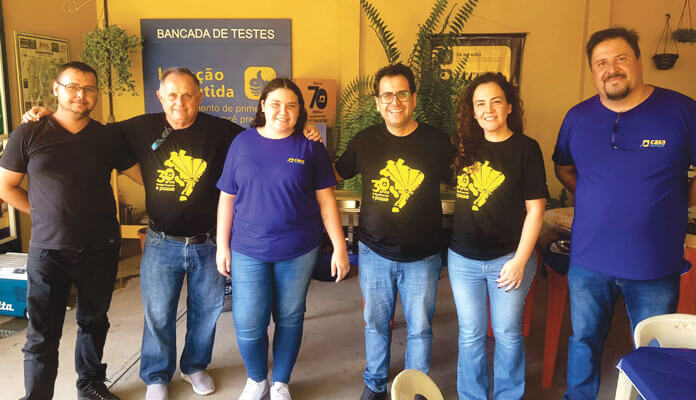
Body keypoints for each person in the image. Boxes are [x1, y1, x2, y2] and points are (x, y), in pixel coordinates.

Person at [22, 68, 321, 399]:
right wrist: (52, 113)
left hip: (207, 241)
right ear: (160, 96)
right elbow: (87, 128)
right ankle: (156, 375)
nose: (181, 102)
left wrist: (304, 131)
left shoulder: (221, 131)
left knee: (206, 312)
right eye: (173, 95)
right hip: (161, 240)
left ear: (199, 97)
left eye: (188, 95)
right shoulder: (138, 127)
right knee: (158, 313)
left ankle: (194, 365)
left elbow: (267, 133)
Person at [553, 27, 696, 399]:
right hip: (588, 260)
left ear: (638, 61)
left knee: (654, 350)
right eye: (601, 63)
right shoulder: (578, 117)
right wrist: (591, 195)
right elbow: (564, 167)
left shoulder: (682, 110)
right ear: (593, 70)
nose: (611, 69)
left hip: (654, 263)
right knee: (583, 339)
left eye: (620, 59)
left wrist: (679, 199)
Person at [0, 61, 140, 400]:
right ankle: (37, 394)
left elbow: (142, 174)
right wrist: (43, 210)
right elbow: (7, 188)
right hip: (49, 250)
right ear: (56, 88)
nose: (81, 95)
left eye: (89, 89)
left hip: (100, 246)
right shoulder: (29, 133)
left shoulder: (107, 137)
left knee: (94, 321)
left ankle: (89, 384)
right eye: (73, 87)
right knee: (42, 332)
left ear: (96, 95)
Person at [216, 78, 350, 400]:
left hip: (298, 250)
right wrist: (222, 245)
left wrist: (340, 247)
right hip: (249, 249)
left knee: (290, 317)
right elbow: (227, 198)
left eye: (291, 105)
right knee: (249, 322)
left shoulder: (310, 147)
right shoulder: (242, 144)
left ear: (300, 111)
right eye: (275, 103)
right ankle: (257, 379)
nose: (283, 111)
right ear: (262, 105)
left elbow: (326, 200)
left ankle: (280, 383)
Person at [334, 63, 453, 400]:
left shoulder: (437, 142)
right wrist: (308, 142)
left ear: (414, 98)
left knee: (420, 327)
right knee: (375, 324)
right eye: (387, 95)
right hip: (374, 251)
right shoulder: (365, 141)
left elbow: (465, 178)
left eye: (402, 93)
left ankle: (416, 388)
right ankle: (374, 383)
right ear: (377, 102)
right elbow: (332, 174)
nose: (395, 101)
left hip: (424, 254)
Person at [448, 72, 547, 400]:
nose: (488, 109)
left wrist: (520, 261)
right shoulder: (462, 147)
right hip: (463, 259)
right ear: (473, 112)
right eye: (480, 104)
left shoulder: (526, 149)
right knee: (471, 335)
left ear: (508, 107)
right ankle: (472, 396)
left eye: (495, 102)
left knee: (506, 333)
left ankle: (508, 396)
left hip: (508, 259)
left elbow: (535, 209)